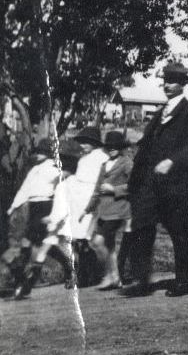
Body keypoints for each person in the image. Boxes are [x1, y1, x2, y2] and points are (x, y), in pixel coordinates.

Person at [121, 63, 188, 298]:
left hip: (177, 184)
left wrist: (172, 160)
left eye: (172, 81)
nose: (167, 85)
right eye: (165, 81)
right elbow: (148, 144)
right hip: (151, 183)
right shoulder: (161, 112)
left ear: (182, 85)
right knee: (142, 227)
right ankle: (141, 280)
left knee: (179, 231)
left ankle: (184, 281)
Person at [4, 140, 74, 300]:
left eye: (42, 152)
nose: (38, 155)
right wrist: (13, 206)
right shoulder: (34, 169)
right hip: (33, 207)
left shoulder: (53, 169)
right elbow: (24, 190)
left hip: (46, 205)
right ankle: (69, 267)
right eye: (38, 152)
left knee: (34, 242)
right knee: (43, 242)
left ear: (48, 154)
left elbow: (66, 177)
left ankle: (25, 283)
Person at [83, 130, 132, 291]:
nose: (111, 149)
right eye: (109, 146)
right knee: (108, 246)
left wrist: (114, 189)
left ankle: (108, 275)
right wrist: (88, 208)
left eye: (115, 146)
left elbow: (135, 185)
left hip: (118, 210)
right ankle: (116, 277)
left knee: (98, 241)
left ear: (121, 147)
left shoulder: (126, 162)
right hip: (103, 211)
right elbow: (97, 190)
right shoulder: (104, 165)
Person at [66, 125, 107, 286]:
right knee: (79, 240)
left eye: (86, 142)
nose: (83, 145)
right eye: (81, 142)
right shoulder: (83, 159)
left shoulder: (101, 158)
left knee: (87, 238)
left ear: (95, 143)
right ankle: (85, 274)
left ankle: (92, 274)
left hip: (91, 201)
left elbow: (99, 182)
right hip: (78, 201)